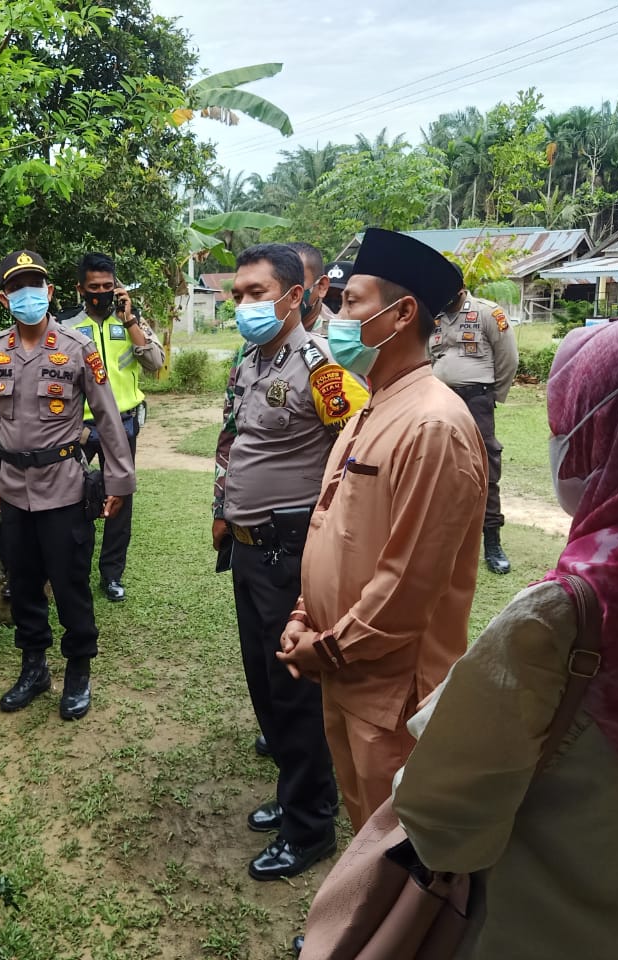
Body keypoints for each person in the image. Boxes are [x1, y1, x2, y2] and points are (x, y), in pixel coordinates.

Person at [390, 310, 618, 959]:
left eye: (567, 424)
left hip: (533, 930)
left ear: (617, 434)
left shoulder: (566, 615)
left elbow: (443, 820)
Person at [277, 227, 487, 832]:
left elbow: (408, 583)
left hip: (390, 686)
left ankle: (377, 930)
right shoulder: (369, 405)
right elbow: (333, 529)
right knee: (362, 820)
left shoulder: (433, 425)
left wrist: (327, 647)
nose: (336, 316)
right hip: (343, 665)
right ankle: (360, 927)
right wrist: (302, 617)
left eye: (351, 302)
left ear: (401, 314)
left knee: (394, 842)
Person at [212, 242, 370, 881]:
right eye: (239, 294)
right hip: (248, 550)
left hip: (291, 552)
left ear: (295, 295)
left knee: (294, 689)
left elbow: (353, 459)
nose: (245, 305)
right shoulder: (252, 360)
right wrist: (223, 510)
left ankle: (310, 827)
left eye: (257, 293)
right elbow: (234, 440)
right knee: (263, 682)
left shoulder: (322, 366)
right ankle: (290, 796)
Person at [0, 250, 135, 720]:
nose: (29, 295)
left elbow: (107, 416)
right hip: (12, 488)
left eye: (35, 285)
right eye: (18, 288)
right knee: (22, 584)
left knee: (69, 584)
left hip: (63, 487)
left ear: (51, 292)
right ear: (6, 298)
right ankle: (34, 667)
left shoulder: (77, 347)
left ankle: (78, 669)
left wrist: (119, 482)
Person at [64, 252, 165, 602]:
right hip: (78, 427)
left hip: (122, 425)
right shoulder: (65, 326)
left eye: (108, 286)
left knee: (120, 499)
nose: (101, 292)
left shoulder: (131, 323)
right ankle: (73, 569)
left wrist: (132, 319)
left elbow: (155, 364)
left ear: (118, 287)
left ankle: (111, 575)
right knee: (70, 498)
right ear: (80, 289)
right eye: (94, 287)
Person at [430, 288, 520, 574]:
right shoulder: (433, 314)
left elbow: (508, 357)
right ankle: (443, 543)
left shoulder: (487, 312)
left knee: (485, 467)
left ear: (458, 287)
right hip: (439, 398)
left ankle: (492, 541)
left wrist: (492, 395)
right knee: (439, 466)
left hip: (477, 398)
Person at [286, 242, 330, 333]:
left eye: (295, 281)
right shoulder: (266, 329)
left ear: (321, 286)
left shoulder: (336, 340)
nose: (284, 291)